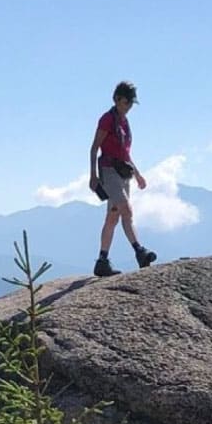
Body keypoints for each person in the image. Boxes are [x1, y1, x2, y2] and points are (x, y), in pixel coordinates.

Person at [89, 81, 157, 277]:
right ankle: (139, 251)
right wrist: (93, 175)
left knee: (114, 216)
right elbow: (94, 148)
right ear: (117, 99)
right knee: (126, 209)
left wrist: (137, 174)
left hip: (123, 172)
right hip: (109, 170)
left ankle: (102, 261)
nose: (128, 107)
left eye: (130, 104)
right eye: (126, 102)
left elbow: (125, 153)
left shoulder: (124, 122)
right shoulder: (107, 120)